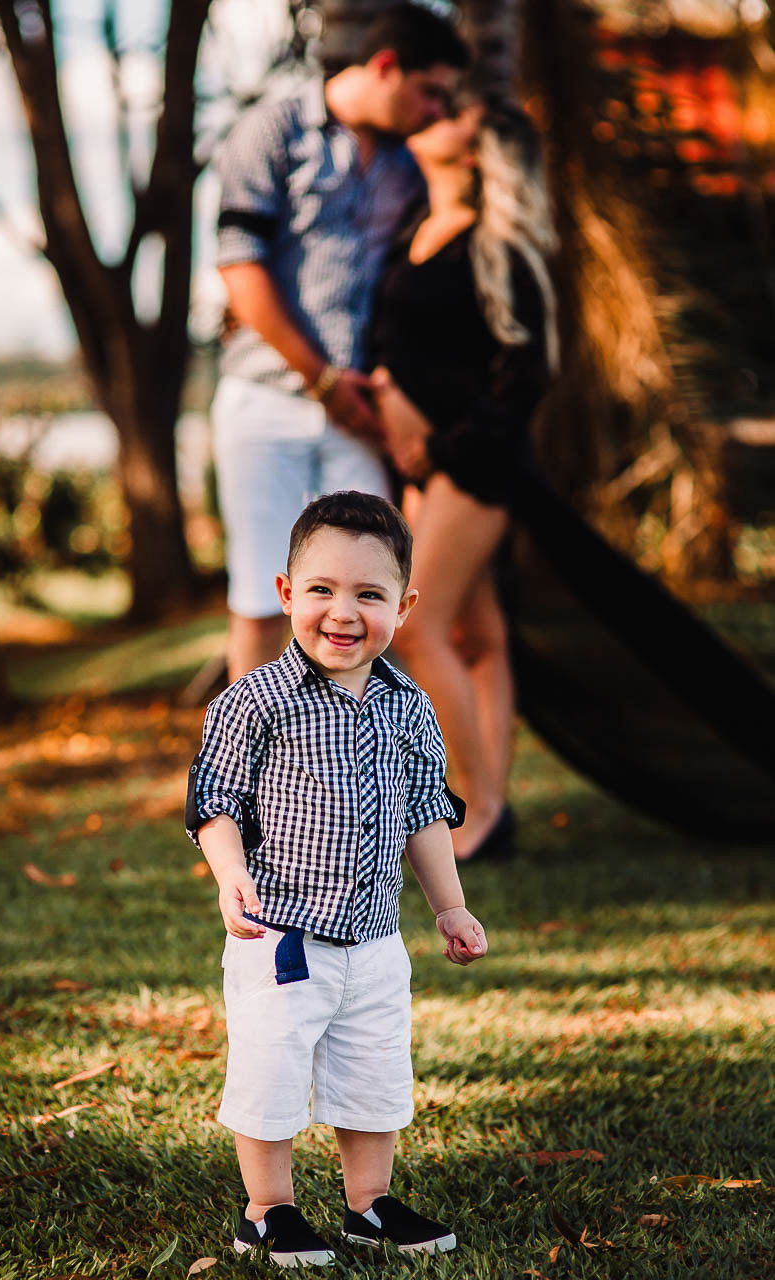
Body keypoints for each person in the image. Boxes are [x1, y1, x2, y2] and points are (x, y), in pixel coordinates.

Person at [185, 490, 487, 1267]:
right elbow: (214, 802)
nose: (341, 612)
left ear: (404, 605)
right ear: (286, 594)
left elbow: (425, 811)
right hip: (281, 936)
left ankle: (369, 1203)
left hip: (375, 941)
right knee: (272, 1069)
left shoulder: (408, 706)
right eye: (320, 589)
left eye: (368, 594)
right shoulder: (253, 701)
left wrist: (448, 906)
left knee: (374, 1072)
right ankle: (267, 1210)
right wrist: (230, 877)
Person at [211, 4, 468, 684]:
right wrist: (322, 380)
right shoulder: (271, 129)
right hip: (264, 399)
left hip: (359, 415)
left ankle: (343, 775)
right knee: (262, 600)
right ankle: (251, 784)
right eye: (429, 91)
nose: (435, 110)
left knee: (361, 596)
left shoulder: (408, 162)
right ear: (385, 67)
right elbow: (240, 270)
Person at [369, 98, 559, 860]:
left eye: (454, 115)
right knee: (476, 636)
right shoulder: (412, 227)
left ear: (478, 151)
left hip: (474, 465)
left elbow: (526, 374)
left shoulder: (499, 245)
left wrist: (442, 447)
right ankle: (492, 807)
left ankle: (474, 813)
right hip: (420, 466)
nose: (432, 116)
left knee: (416, 627)